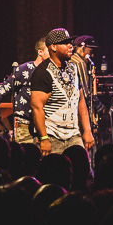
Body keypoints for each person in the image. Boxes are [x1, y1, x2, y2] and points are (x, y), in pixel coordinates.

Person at [30, 28, 96, 157]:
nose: (70, 45)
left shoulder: (73, 68)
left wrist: (87, 131)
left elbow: (80, 101)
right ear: (53, 47)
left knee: (82, 167)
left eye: (70, 42)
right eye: (65, 43)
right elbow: (37, 107)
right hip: (52, 136)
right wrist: (44, 138)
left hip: (74, 135)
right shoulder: (42, 72)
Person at [0, 38, 49, 143]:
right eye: (49, 50)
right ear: (40, 52)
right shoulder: (23, 70)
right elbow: (1, 93)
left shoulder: (50, 72)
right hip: (25, 125)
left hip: (46, 124)